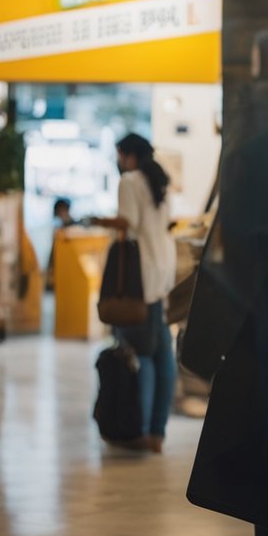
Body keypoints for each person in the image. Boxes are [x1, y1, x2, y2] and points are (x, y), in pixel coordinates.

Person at [91, 133, 177, 452]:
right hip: (163, 267)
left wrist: (99, 220)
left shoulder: (129, 181)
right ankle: (157, 431)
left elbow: (129, 221)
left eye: (119, 155)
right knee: (162, 353)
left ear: (127, 156)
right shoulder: (161, 180)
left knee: (142, 353)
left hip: (142, 275)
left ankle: (141, 430)